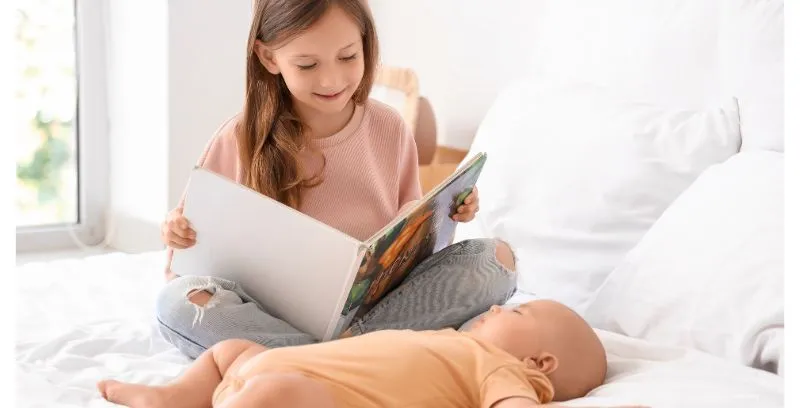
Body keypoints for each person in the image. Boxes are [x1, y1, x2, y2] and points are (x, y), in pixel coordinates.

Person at [155, 0, 517, 359]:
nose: (331, 79)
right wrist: (176, 229)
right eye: (307, 64)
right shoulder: (241, 136)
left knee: (495, 259)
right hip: (269, 312)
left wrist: (448, 212)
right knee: (176, 305)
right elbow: (187, 258)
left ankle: (316, 358)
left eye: (348, 57)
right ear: (269, 59)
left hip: (374, 307)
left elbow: (411, 223)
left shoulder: (390, 127)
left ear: (365, 44)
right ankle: (350, 356)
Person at [99, 300, 634, 408]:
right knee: (228, 350)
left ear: (540, 364)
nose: (495, 307)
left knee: (277, 393)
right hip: (278, 365)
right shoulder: (458, 339)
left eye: (513, 315)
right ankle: (173, 396)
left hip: (312, 396)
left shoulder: (500, 369)